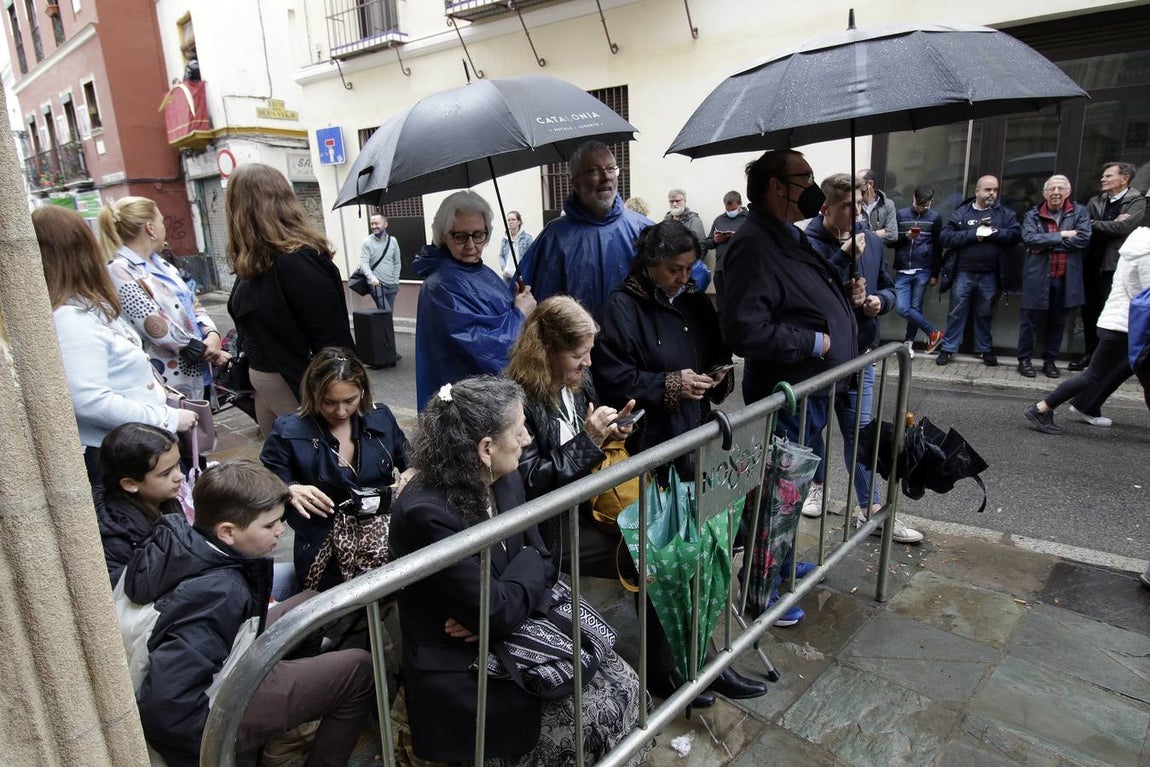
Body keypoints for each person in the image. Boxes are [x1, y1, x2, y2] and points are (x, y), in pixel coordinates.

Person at [388, 376, 644, 764]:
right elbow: (500, 606)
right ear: (486, 448)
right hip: (462, 667)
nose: (527, 440)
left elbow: (542, 558)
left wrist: (504, 594)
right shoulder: (427, 513)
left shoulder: (502, 479)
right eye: (519, 430)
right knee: (588, 727)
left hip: (512, 633)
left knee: (628, 686)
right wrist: (505, 596)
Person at [115, 459, 375, 767]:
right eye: (269, 525)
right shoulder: (220, 593)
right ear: (227, 531)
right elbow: (167, 708)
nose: (280, 531)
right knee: (358, 668)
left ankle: (289, 724)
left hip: (222, 660)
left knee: (312, 604)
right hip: (212, 710)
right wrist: (217, 752)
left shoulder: (176, 538)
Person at [718, 149, 867, 624]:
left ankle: (779, 568)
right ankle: (762, 595)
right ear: (778, 187)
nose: (814, 185)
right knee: (776, 492)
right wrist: (816, 339)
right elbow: (745, 329)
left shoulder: (785, 234)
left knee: (793, 489)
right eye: (804, 177)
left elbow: (794, 298)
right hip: (787, 393)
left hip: (810, 393)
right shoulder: (753, 243)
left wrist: (842, 298)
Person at [33, 206, 194, 486]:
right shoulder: (69, 318)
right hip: (119, 456)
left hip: (132, 448)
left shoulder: (84, 306)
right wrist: (167, 418)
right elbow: (87, 399)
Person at [805, 175, 922, 544]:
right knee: (812, 433)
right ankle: (817, 486)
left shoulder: (870, 240)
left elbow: (888, 286)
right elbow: (808, 297)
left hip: (861, 356)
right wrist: (841, 260)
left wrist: (878, 302)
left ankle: (870, 508)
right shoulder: (806, 244)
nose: (856, 211)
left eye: (860, 202)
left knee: (861, 435)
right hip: (821, 362)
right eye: (846, 205)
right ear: (826, 207)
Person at [261, 348, 412, 589]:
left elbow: (408, 456)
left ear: (362, 392)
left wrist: (413, 470)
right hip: (323, 548)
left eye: (349, 401)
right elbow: (262, 484)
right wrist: (287, 489)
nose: (341, 412)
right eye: (329, 402)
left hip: (384, 539)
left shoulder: (380, 417)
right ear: (312, 393)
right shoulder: (287, 432)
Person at [593, 220, 734, 476]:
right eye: (674, 270)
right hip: (649, 440)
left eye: (690, 269)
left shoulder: (696, 301)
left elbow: (717, 350)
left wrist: (717, 370)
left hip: (696, 428)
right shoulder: (622, 307)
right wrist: (671, 384)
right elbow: (613, 376)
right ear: (651, 262)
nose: (683, 279)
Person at [225, 163, 355, 438]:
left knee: (314, 468)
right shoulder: (256, 261)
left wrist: (341, 401)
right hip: (268, 389)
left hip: (298, 389)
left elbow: (332, 339)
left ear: (242, 208)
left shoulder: (299, 261)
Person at [505, 296, 634, 572]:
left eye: (589, 351)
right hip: (553, 528)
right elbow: (530, 480)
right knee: (640, 552)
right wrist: (588, 441)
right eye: (577, 355)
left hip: (587, 505)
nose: (588, 362)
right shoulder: (518, 399)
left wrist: (610, 433)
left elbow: (582, 442)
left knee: (656, 537)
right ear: (546, 352)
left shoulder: (577, 380)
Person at [413, 190, 536, 409]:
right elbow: (484, 348)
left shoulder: (477, 270)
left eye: (479, 235)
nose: (471, 245)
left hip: (491, 398)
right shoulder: (440, 285)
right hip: (469, 405)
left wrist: (515, 299)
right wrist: (519, 314)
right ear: (443, 236)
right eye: (460, 236)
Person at [1025, 226, 1150, 434]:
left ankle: (1084, 404)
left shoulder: (1137, 247)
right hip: (1125, 325)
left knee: (1116, 371)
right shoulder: (1146, 253)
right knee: (1093, 375)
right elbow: (1146, 296)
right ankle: (1041, 408)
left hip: (1120, 321)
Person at [99, 196, 228, 399]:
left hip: (197, 369)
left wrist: (211, 333)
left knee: (203, 428)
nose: (163, 226)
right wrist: (210, 352)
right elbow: (156, 325)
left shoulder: (161, 263)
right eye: (161, 221)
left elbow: (192, 304)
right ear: (150, 228)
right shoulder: (119, 270)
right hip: (167, 380)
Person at [520, 140, 651, 317]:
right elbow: (528, 300)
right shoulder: (553, 238)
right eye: (594, 171)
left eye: (611, 168)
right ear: (576, 184)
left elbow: (685, 274)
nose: (606, 177)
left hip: (633, 342)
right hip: (577, 341)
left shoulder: (643, 229)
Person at [936, 175, 1021, 367]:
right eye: (988, 189)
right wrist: (974, 235)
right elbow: (946, 237)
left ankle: (984, 349)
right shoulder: (962, 213)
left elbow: (1016, 234)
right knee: (956, 313)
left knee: (985, 313)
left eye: (995, 190)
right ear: (977, 191)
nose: (992, 193)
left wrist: (995, 232)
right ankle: (948, 349)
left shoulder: (1004, 214)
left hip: (990, 274)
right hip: (963, 273)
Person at [1018, 175, 1091, 379]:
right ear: (1045, 193)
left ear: (1068, 192)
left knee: (1058, 322)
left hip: (1064, 278)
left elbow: (1083, 239)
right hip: (1038, 276)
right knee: (1029, 321)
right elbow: (1030, 239)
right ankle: (1024, 360)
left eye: (1060, 188)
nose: (1056, 192)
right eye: (1052, 189)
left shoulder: (1079, 212)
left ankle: (1050, 362)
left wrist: (1046, 244)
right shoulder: (1033, 214)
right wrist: (1063, 235)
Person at [1076, 162, 1146, 370]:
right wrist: (1107, 224)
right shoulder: (1095, 201)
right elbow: (1083, 227)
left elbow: (1123, 227)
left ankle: (1108, 362)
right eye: (1103, 176)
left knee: (1110, 315)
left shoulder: (1136, 200)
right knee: (1090, 311)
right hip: (1090, 262)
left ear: (1124, 179)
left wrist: (1095, 224)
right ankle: (1090, 355)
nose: (1103, 179)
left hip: (1113, 266)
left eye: (1108, 176)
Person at [95, 423, 183, 586]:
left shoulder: (162, 499)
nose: (180, 476)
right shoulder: (117, 537)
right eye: (166, 473)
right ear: (129, 484)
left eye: (177, 465)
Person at [892, 185, 945, 357]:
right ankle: (933, 333)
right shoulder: (902, 215)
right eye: (919, 203)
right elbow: (891, 241)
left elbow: (938, 247)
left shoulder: (935, 218)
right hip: (903, 268)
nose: (922, 207)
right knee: (902, 308)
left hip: (923, 268)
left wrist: (935, 273)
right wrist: (906, 237)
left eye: (925, 204)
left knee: (915, 307)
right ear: (913, 198)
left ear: (931, 202)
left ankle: (909, 342)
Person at [702, 190, 749, 291]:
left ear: (740, 204)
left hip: (743, 270)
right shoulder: (719, 219)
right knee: (722, 304)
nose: (730, 212)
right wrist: (715, 240)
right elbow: (708, 243)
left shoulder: (748, 219)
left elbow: (757, 242)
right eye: (728, 209)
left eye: (733, 209)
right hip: (721, 269)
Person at [359, 213, 402, 312]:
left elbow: (397, 262)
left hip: (391, 285)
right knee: (386, 312)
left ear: (385, 224)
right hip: (376, 285)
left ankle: (387, 328)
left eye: (376, 224)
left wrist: (395, 281)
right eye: (372, 224)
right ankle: (386, 327)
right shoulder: (367, 242)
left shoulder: (393, 241)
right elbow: (363, 264)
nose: (374, 227)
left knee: (388, 314)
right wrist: (372, 278)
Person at [856, 168, 898, 245]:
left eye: (858, 183)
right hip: (857, 253)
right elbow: (850, 235)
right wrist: (880, 232)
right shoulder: (854, 204)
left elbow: (893, 235)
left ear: (870, 184)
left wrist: (865, 235)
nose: (854, 186)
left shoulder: (887, 204)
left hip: (877, 252)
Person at [498, 210, 534, 283]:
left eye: (513, 219)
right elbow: (501, 256)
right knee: (507, 294)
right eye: (508, 220)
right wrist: (504, 268)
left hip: (521, 276)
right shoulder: (505, 238)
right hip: (507, 277)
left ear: (519, 222)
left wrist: (525, 270)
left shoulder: (527, 238)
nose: (510, 222)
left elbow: (531, 257)